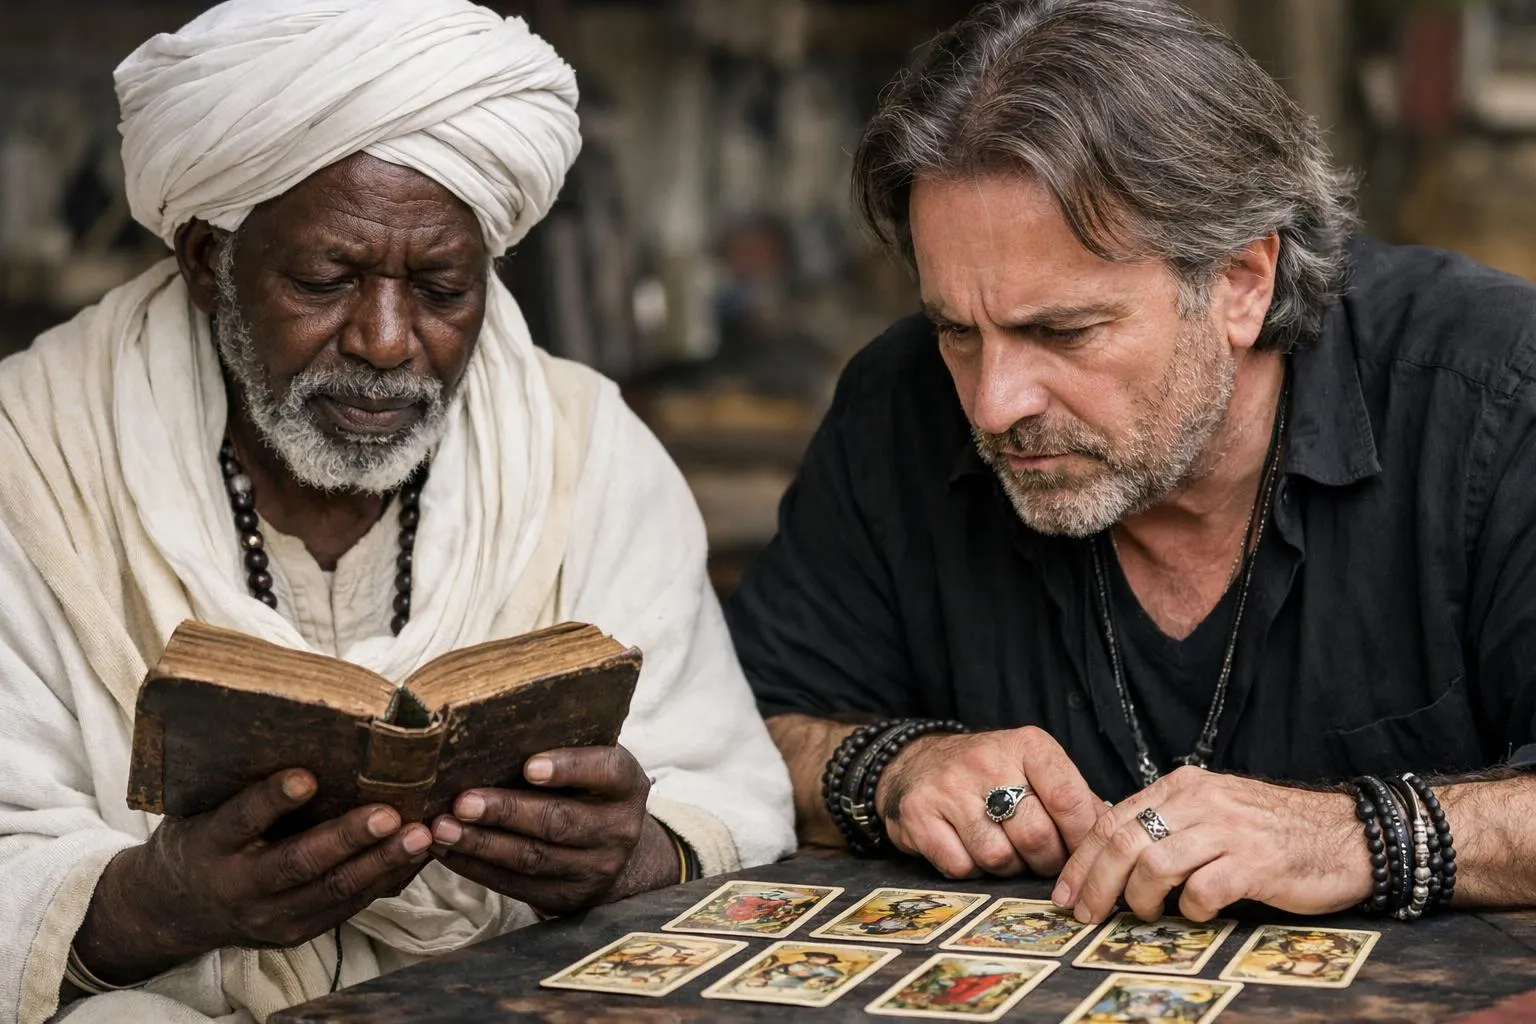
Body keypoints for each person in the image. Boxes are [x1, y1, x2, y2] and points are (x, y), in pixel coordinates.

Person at [0, 2, 795, 1022]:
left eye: (441, 288)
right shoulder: (34, 454)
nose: (385, 340)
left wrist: (631, 854)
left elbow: (730, 798)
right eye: (327, 278)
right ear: (208, 260)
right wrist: (162, 904)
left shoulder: (584, 447)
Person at [725, 0, 1536, 933]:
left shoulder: (1493, 396)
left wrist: (1357, 836)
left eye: (1061, 331)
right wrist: (891, 769)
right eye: (957, 330)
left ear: (1241, 283)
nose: (995, 405)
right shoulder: (900, 405)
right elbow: (740, 734)